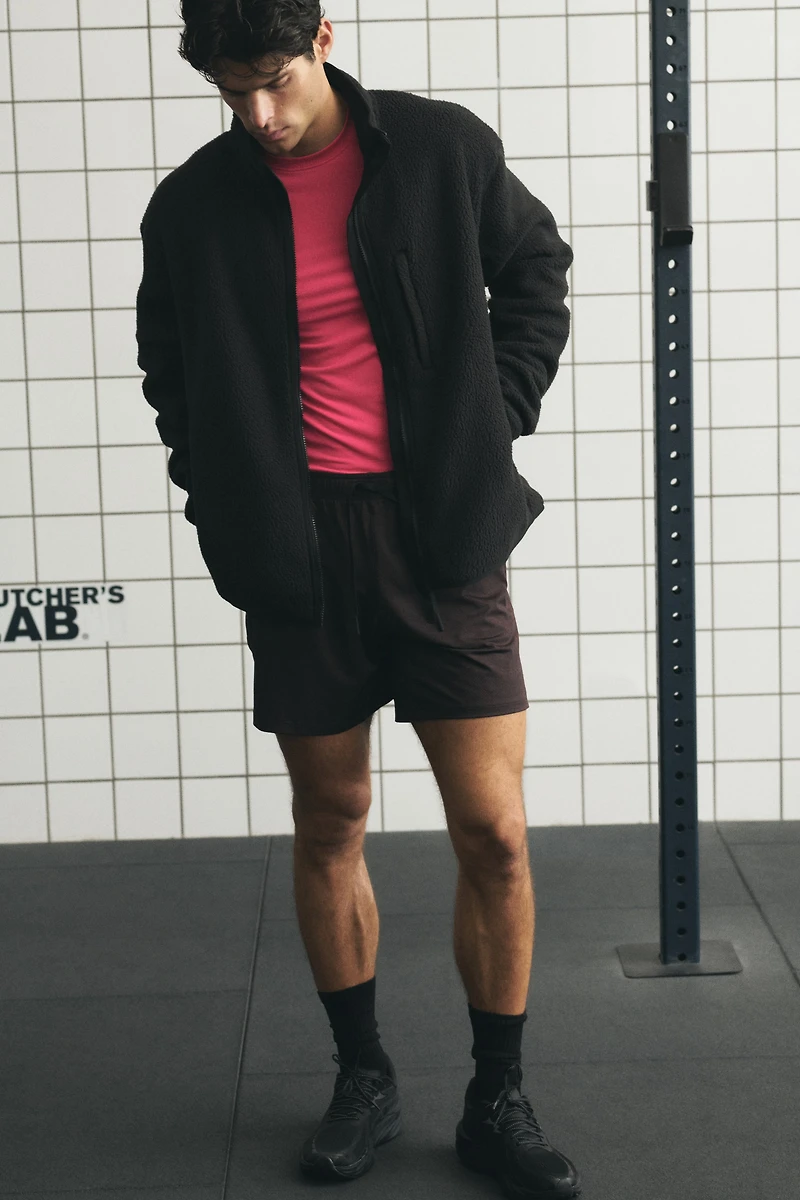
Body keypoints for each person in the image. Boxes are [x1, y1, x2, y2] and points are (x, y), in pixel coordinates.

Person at [137, 2, 581, 1195]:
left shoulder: (439, 151)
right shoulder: (192, 206)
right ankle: (364, 1077)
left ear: (323, 39)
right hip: (297, 550)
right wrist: (219, 491)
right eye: (231, 92)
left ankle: (497, 1097)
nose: (258, 114)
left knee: (492, 831)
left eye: (273, 80)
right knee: (330, 819)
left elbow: (534, 270)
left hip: (443, 537)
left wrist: (491, 419)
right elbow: (168, 367)